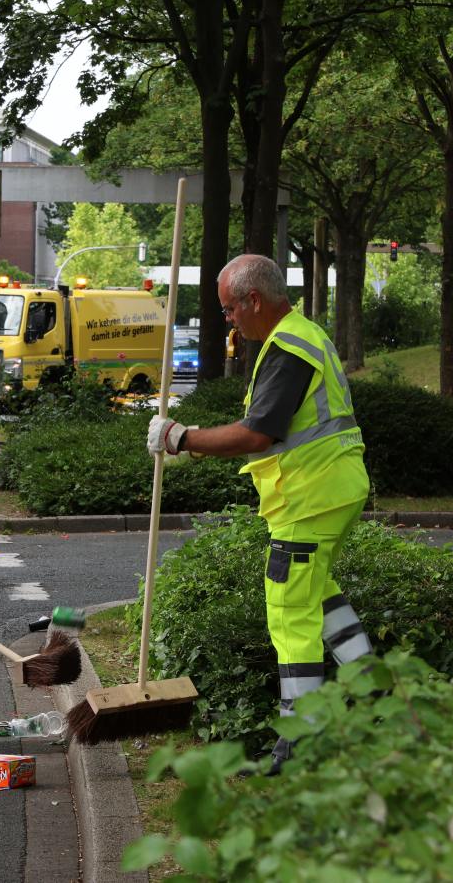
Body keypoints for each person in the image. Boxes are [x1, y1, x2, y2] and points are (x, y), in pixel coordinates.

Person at [147, 254, 374, 775]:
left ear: (254, 300)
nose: (228, 319)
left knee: (290, 614)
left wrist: (181, 439)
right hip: (329, 490)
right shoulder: (300, 336)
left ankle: (300, 744)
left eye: (229, 308)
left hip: (310, 498)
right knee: (316, 595)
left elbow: (256, 433)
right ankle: (380, 702)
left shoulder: (289, 349)